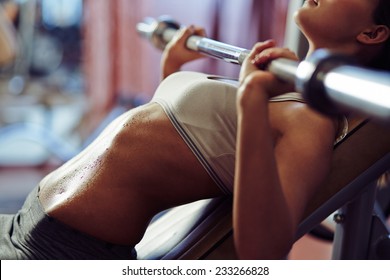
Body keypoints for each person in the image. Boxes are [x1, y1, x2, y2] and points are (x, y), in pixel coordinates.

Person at [0, 0, 389, 260]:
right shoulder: (282, 86)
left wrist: (251, 99)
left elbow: (262, 252)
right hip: (27, 220)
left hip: (65, 250)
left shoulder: (313, 122)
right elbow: (168, 146)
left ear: (373, 33)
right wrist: (173, 72)